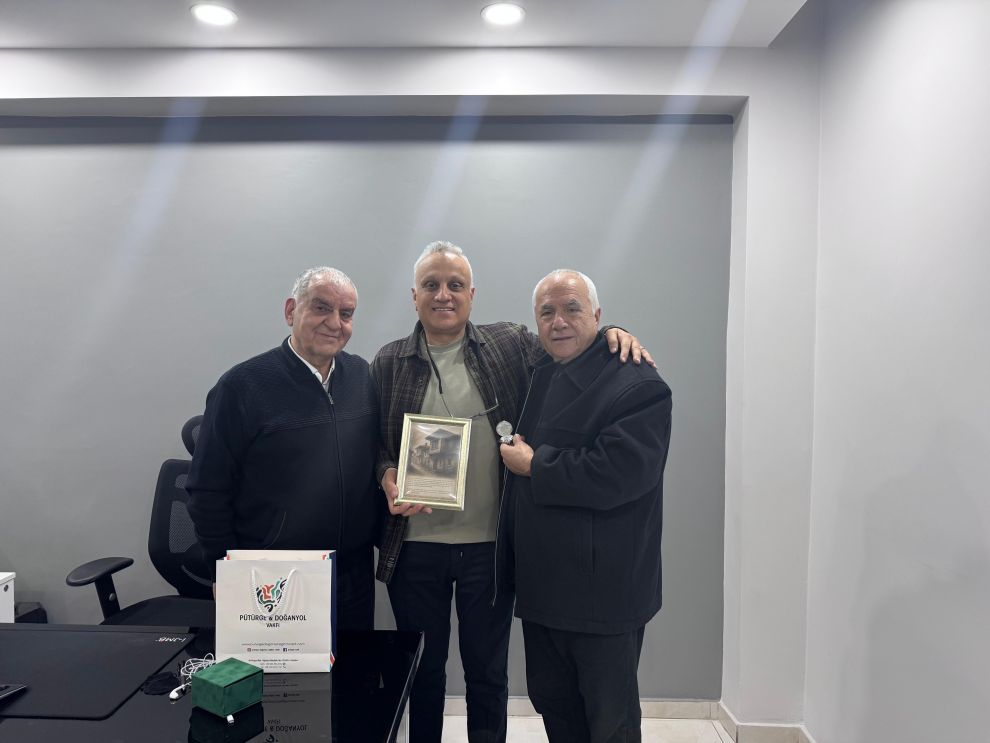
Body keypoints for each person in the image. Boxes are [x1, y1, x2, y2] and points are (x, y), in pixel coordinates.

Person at [373, 242, 652, 743]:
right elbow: (376, 445)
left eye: (455, 285)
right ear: (414, 295)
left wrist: (614, 332)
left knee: (487, 674)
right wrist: (387, 474)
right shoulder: (389, 360)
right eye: (431, 285)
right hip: (414, 547)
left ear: (472, 294)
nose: (443, 294)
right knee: (423, 673)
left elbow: (569, 336)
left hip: (492, 548)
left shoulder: (509, 345)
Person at [499, 269, 672, 743]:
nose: (558, 321)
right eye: (547, 312)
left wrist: (536, 465)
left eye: (572, 309)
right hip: (545, 592)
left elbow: (621, 473)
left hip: (604, 599)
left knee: (610, 722)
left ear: (597, 315)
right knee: (557, 709)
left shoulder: (638, 383)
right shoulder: (540, 373)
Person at [186, 267, 382, 631]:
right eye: (321, 308)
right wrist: (224, 569)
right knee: (286, 671)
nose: (334, 323)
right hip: (273, 575)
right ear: (291, 310)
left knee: (356, 666)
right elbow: (207, 490)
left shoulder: (363, 377)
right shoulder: (241, 387)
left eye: (346, 313)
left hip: (352, 571)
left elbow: (379, 458)